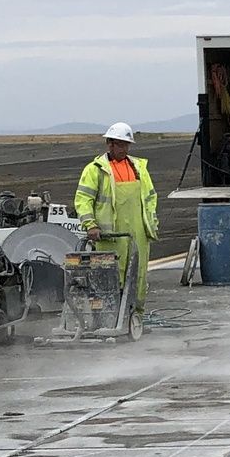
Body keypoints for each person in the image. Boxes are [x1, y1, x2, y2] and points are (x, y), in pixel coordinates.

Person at [75, 122, 159, 316]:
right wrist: (91, 225)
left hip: (137, 233)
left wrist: (152, 224)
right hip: (109, 237)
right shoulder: (95, 170)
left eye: (126, 145)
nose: (124, 149)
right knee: (110, 277)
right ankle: (108, 317)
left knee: (138, 276)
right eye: (120, 144)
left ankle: (135, 316)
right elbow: (83, 200)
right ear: (109, 144)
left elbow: (150, 198)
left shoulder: (139, 168)